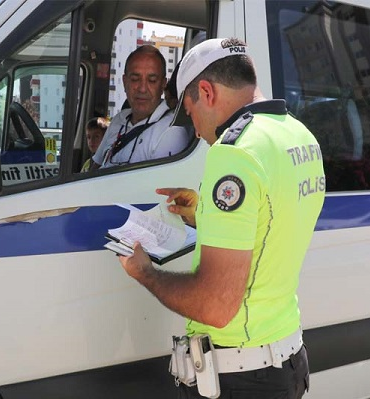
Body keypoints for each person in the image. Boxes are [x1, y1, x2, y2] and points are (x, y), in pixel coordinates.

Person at [117, 38, 325, 398]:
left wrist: (145, 272)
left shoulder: (235, 154)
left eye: (191, 113)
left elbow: (214, 305)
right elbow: (270, 224)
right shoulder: (299, 135)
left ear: (206, 92)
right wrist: (206, 215)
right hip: (286, 356)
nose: (195, 130)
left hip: (241, 377)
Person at [90, 45, 190, 169]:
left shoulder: (170, 132)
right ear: (125, 82)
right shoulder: (119, 119)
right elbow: (96, 167)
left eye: (152, 80)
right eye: (135, 79)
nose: (142, 89)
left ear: (163, 85)